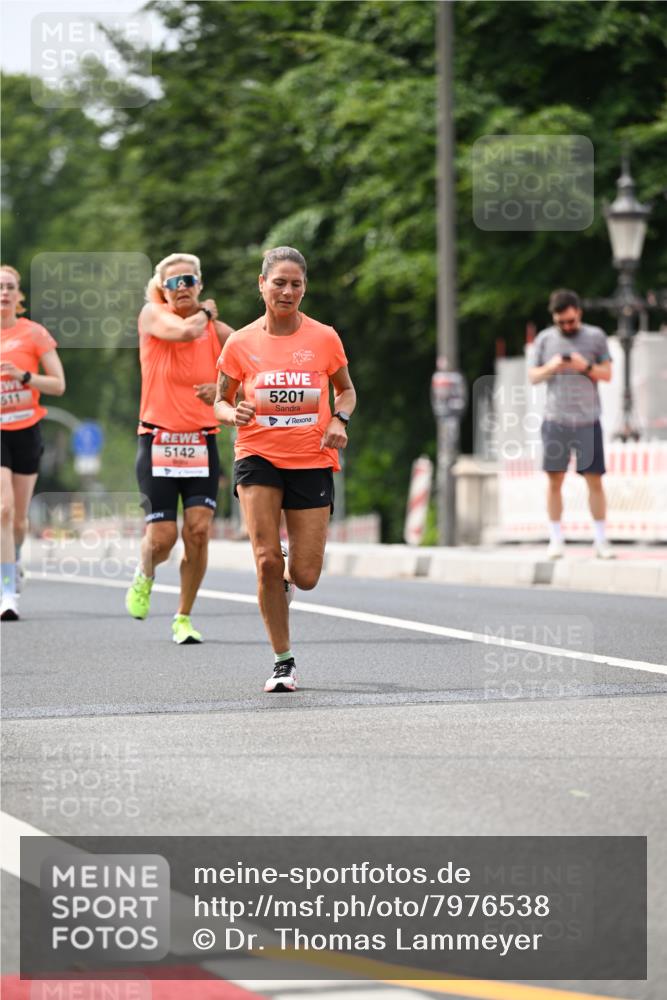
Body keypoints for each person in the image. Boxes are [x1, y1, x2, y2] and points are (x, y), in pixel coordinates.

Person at [214, 246, 356, 692]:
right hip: (257, 455)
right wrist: (229, 415)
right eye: (279, 282)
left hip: (312, 458)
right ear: (262, 285)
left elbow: (347, 391)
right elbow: (220, 398)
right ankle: (283, 661)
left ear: (304, 288)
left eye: (296, 284)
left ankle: (290, 576)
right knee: (265, 559)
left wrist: (339, 419)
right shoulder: (240, 342)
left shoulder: (324, 337)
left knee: (306, 576)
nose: (287, 291)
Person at [125, 253, 233, 643]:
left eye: (189, 279)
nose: (182, 286)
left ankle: (183, 616)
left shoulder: (216, 330)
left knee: (199, 531)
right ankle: (145, 573)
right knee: (163, 538)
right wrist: (204, 314)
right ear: (162, 289)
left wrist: (221, 391)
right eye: (174, 282)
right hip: (158, 439)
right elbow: (184, 332)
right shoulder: (152, 315)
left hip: (201, 441)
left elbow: (252, 368)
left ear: (200, 284)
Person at [1, 264, 66, 620]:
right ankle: (6, 592)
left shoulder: (33, 334)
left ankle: (15, 557)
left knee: (19, 521)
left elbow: (58, 385)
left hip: (26, 429)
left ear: (19, 295)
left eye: (10, 287)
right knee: (3, 510)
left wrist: (23, 376)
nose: (4, 293)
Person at [529, 288, 614, 560]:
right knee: (555, 480)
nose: (566, 326)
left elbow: (608, 373)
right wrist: (552, 366)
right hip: (556, 419)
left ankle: (600, 539)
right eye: (561, 322)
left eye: (571, 321)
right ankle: (556, 539)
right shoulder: (544, 340)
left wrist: (584, 366)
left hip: (588, 420)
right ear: (553, 319)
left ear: (579, 313)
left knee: (595, 480)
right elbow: (532, 375)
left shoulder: (596, 336)